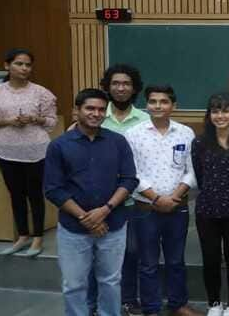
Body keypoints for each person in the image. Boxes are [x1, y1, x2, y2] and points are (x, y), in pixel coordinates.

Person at [43, 88, 139, 316]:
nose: (96, 113)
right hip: (73, 228)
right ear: (76, 111)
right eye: (89, 108)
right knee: (74, 285)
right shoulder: (59, 146)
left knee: (111, 281)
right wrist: (86, 218)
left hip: (113, 224)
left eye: (100, 109)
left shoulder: (117, 141)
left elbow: (129, 179)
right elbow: (53, 189)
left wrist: (105, 211)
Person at [125, 85, 202, 316]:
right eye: (153, 101)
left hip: (177, 208)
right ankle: (151, 308)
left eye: (164, 101)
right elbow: (132, 173)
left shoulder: (185, 133)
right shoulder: (134, 133)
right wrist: (157, 198)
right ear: (146, 105)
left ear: (173, 106)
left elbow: (192, 171)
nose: (158, 106)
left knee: (176, 260)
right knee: (147, 263)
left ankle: (178, 304)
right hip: (145, 208)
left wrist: (175, 197)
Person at [89, 63, 149, 316]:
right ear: (107, 86)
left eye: (126, 83)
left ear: (134, 88)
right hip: (99, 201)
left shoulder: (146, 120)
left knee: (132, 252)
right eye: (115, 83)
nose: (121, 88)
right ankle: (93, 303)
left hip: (133, 199)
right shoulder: (97, 117)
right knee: (95, 255)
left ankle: (128, 299)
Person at [192, 94, 229, 316]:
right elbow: (200, 176)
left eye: (225, 111)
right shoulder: (199, 142)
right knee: (210, 257)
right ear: (209, 115)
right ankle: (214, 303)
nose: (220, 116)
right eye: (215, 111)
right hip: (207, 209)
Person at [0, 48, 57, 257]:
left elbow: (51, 122)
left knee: (35, 195)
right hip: (6, 150)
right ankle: (22, 236)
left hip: (36, 151)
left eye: (28, 65)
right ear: (7, 66)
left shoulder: (41, 92)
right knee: (16, 195)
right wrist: (7, 121)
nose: (24, 68)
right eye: (19, 64)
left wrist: (35, 119)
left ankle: (38, 238)